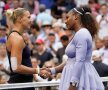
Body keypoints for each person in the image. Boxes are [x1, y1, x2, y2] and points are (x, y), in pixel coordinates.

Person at [44, 6, 104, 90]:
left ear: (76, 17)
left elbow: (79, 61)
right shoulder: (79, 34)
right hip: (76, 77)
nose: (65, 21)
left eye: (67, 17)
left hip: (79, 79)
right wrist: (52, 70)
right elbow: (70, 61)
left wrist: (73, 84)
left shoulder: (82, 34)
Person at [6, 8, 50, 90]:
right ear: (20, 19)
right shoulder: (16, 38)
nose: (31, 20)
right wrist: (38, 71)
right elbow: (16, 67)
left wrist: (38, 72)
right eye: (29, 17)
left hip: (23, 84)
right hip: (19, 86)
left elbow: (23, 64)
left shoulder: (17, 37)